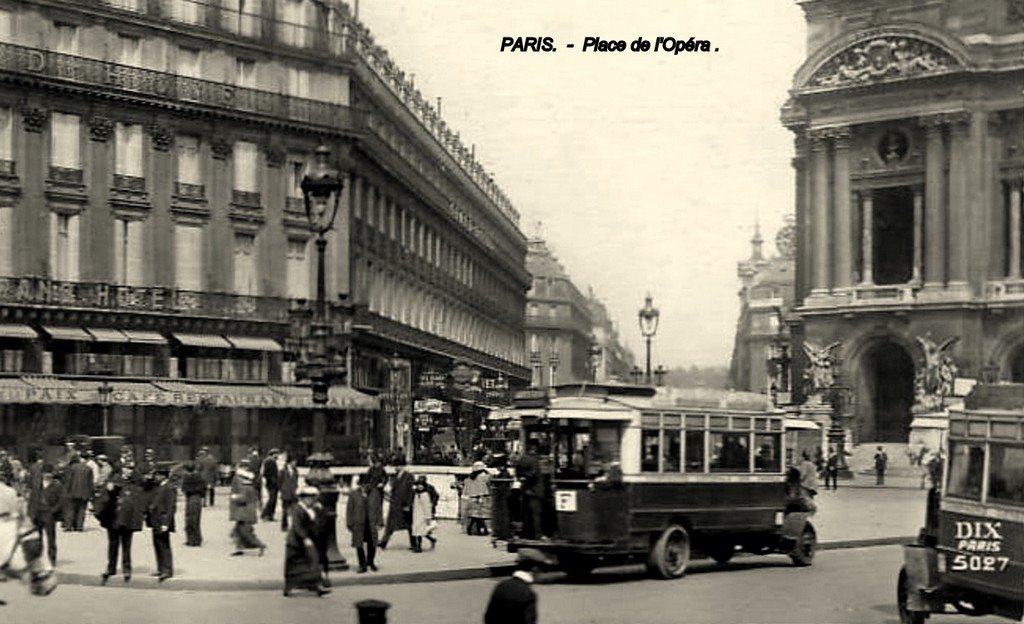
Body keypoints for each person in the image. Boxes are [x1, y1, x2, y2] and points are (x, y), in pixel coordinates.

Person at [96, 465, 146, 584]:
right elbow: (104, 498)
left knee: (126, 546)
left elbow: (139, 501)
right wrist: (110, 489)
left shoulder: (135, 484)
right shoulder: (114, 482)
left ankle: (127, 569)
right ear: (121, 469)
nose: (128, 471)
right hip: (114, 519)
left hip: (127, 520)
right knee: (113, 545)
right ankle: (111, 568)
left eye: (130, 469)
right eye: (126, 468)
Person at [283, 485, 330, 596]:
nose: (312, 500)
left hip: (306, 541)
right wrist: (305, 538)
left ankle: (316, 585)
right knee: (299, 565)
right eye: (310, 498)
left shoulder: (312, 509)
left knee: (310, 563)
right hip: (296, 543)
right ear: (303, 498)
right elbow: (297, 526)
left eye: (314, 498)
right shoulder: (297, 509)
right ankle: (290, 587)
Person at [483, 554, 540, 624]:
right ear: (535, 570)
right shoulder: (528, 594)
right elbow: (528, 620)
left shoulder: (502, 585)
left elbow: (489, 616)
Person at [28, 464, 64, 566]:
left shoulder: (57, 485)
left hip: (49, 513)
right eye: (45, 473)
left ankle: (52, 558)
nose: (47, 476)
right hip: (37, 513)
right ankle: (37, 558)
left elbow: (61, 500)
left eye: (49, 473)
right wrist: (30, 514)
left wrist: (54, 510)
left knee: (51, 537)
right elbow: (32, 499)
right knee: (37, 538)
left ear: (52, 474)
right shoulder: (37, 484)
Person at [378, 455, 414, 550]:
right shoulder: (395, 476)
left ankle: (414, 543)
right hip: (395, 504)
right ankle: (384, 542)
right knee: (390, 524)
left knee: (409, 526)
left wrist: (408, 505)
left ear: (402, 466)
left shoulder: (409, 476)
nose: (396, 468)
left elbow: (410, 492)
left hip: (403, 504)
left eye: (397, 466)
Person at [346, 476, 381, 573]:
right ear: (360, 484)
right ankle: (362, 564)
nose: (366, 486)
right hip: (358, 522)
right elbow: (349, 509)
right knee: (359, 545)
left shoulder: (375, 493)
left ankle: (371, 562)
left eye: (368, 484)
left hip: (371, 522)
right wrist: (349, 523)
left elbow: (378, 508)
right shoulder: (353, 494)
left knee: (372, 543)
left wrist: (379, 522)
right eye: (364, 484)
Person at [229, 466, 265, 556]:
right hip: (246, 512)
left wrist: (234, 497)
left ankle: (260, 545)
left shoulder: (246, 487)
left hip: (244, 513)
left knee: (246, 532)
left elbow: (243, 498)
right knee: (238, 531)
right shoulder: (251, 486)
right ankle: (239, 548)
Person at [147, 467, 176, 581]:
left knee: (164, 546)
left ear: (164, 476)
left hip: (163, 520)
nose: (155, 477)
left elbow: (170, 507)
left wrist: (166, 523)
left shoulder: (169, 487)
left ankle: (167, 570)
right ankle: (160, 568)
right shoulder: (159, 486)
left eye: (158, 475)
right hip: (156, 520)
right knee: (157, 544)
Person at [515, 443, 545, 539]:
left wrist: (522, 478)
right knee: (536, 514)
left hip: (525, 489)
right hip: (535, 490)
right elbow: (534, 474)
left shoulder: (522, 459)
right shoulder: (535, 460)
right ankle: (538, 534)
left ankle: (526, 534)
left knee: (526, 514)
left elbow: (517, 471)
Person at [63, 453, 94, 532]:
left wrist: (65, 491)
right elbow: (90, 482)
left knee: (70, 509)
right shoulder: (88, 468)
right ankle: (79, 526)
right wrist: (91, 493)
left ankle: (68, 526)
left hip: (72, 492)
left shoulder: (71, 468)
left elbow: (68, 481)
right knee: (81, 510)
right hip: (84, 493)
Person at [463, 461, 492, 536]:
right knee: (480, 516)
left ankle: (476, 530)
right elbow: (489, 479)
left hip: (471, 498)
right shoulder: (483, 476)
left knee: (475, 515)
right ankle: (483, 530)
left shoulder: (470, 477)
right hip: (480, 497)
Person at [181, 462, 206, 547]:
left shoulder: (187, 477)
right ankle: (197, 539)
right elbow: (203, 488)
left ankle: (191, 540)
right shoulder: (199, 476)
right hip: (198, 498)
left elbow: (184, 489)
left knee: (190, 519)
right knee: (196, 519)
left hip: (191, 498)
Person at [411, 475, 438, 550]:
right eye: (418, 485)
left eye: (421, 485)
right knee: (419, 531)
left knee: (419, 531)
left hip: (422, 515)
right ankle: (431, 539)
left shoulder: (425, 494)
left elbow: (427, 506)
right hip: (416, 514)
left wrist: (428, 517)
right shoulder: (416, 494)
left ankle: (419, 547)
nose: (419, 487)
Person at [278, 453, 299, 532]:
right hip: (286, 492)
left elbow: (296, 480)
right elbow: (279, 481)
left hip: (293, 492)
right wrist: (282, 490)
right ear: (291, 462)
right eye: (294, 462)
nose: (295, 463)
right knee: (285, 510)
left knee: (295, 510)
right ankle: (284, 525)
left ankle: (295, 526)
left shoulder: (295, 470)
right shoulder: (283, 470)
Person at [260, 449, 280, 522]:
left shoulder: (271, 461)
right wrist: (272, 480)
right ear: (273, 454)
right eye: (276, 454)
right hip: (271, 483)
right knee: (272, 499)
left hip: (273, 483)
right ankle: (265, 514)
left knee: (273, 499)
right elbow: (266, 473)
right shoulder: (269, 461)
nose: (278, 456)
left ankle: (270, 515)